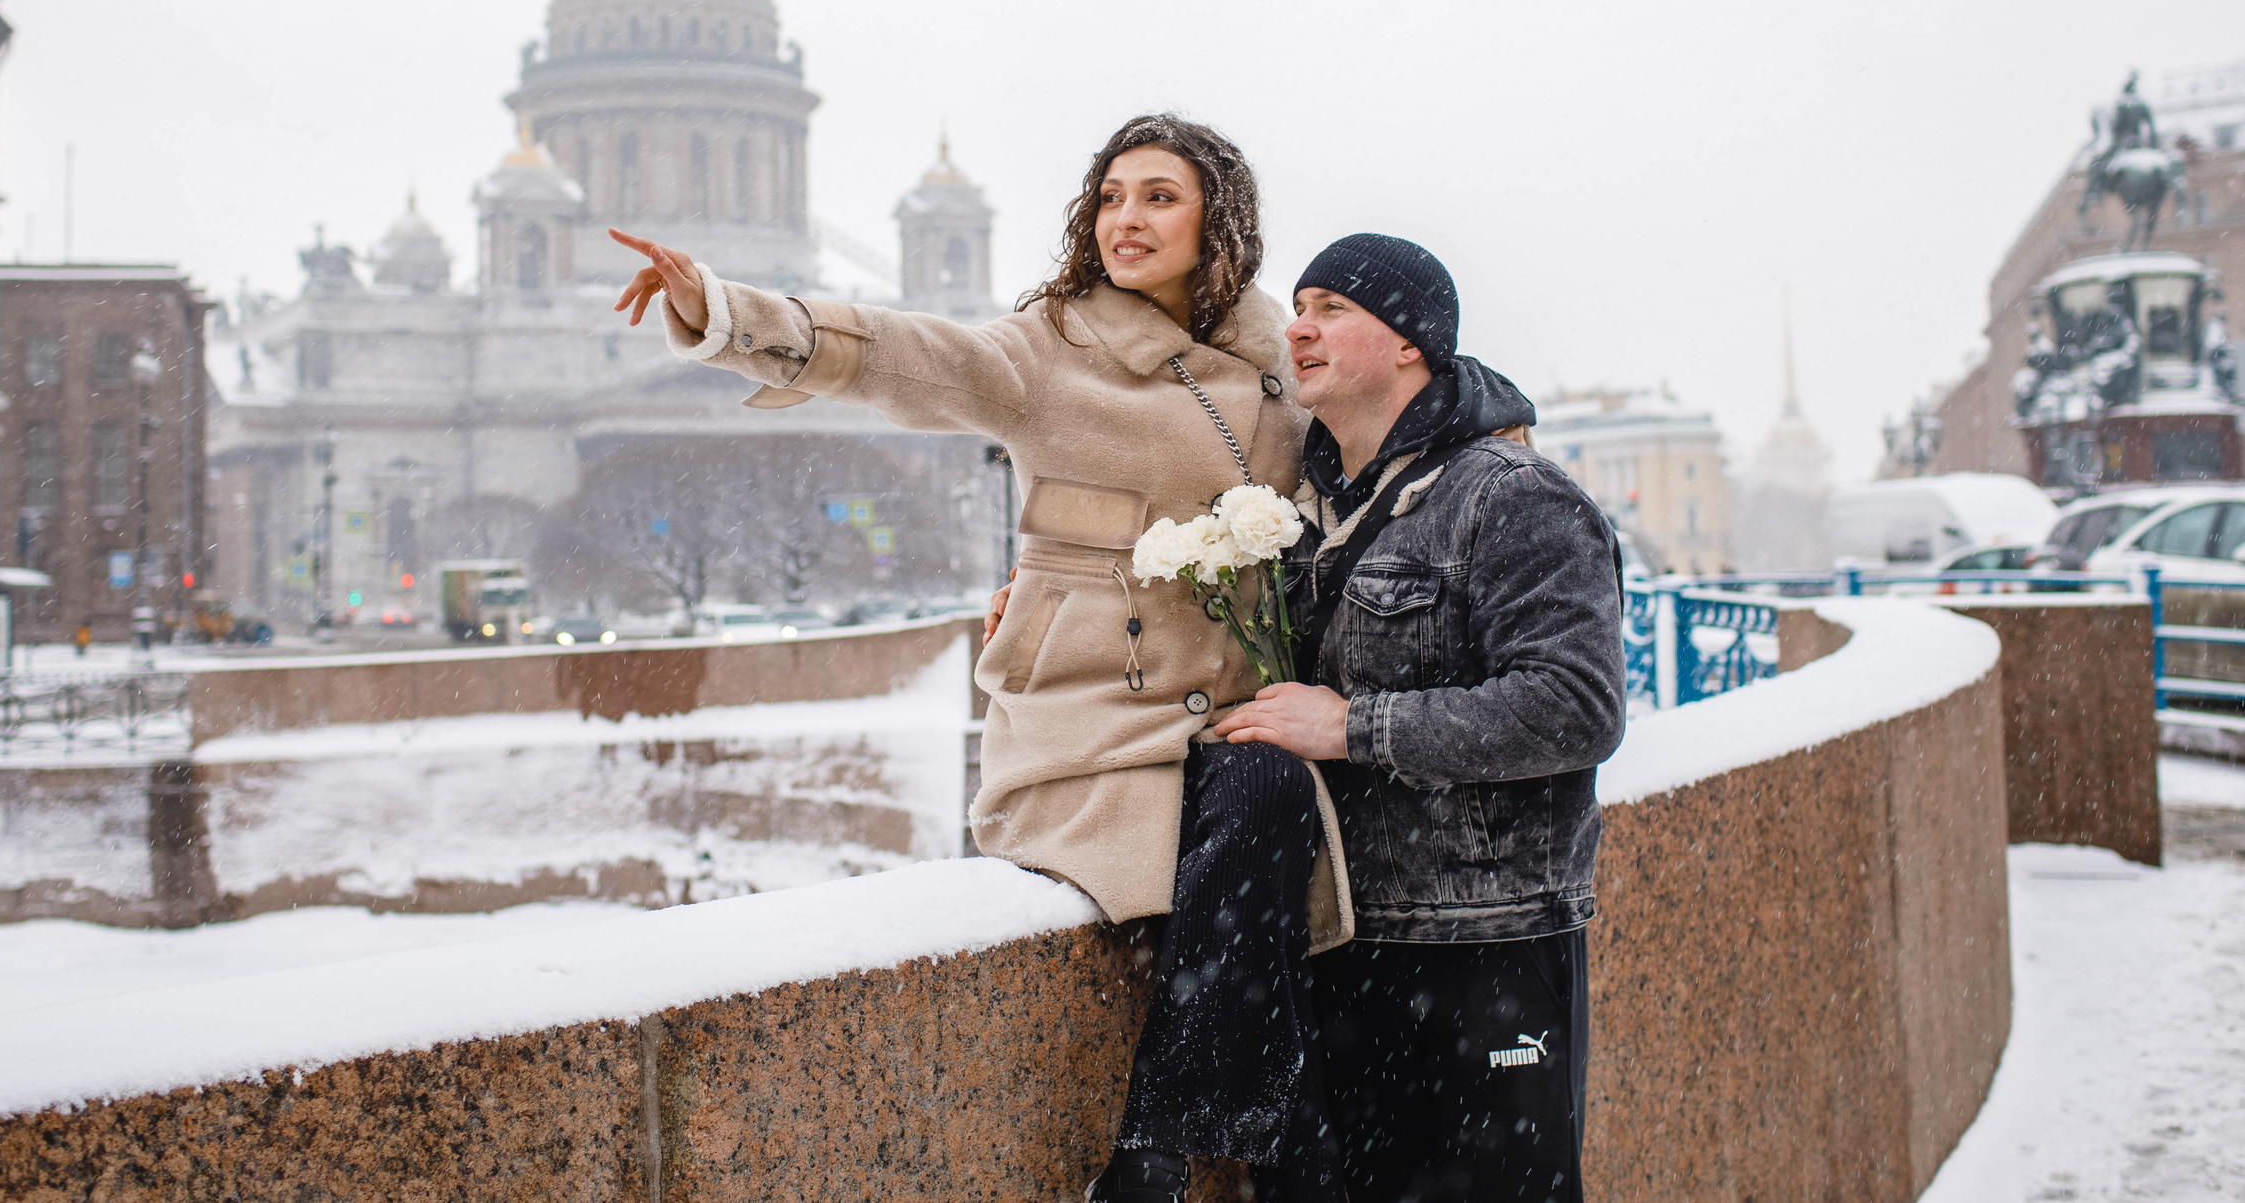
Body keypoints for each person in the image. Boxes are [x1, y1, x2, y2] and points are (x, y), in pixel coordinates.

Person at [612, 114, 1349, 1203]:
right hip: (1095, 731)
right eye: (1109, 197)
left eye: (1158, 197)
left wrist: (1494, 429)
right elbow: (905, 355)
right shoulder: (1050, 348)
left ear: (1218, 222)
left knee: (1267, 794)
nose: (1126, 220)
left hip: (1228, 728)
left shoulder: (1275, 366)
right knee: (1269, 823)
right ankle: (1227, 1156)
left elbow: (1385, 433)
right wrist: (726, 314)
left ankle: (1169, 1151)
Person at [1215, 233, 1627, 1202]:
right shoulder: (1303, 511)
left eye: (1330, 308)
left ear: (1411, 342)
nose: (1297, 328)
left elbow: (1575, 707)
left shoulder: (1514, 499)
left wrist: (1353, 728)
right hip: (1334, 940)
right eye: (1298, 307)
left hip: (1479, 948)